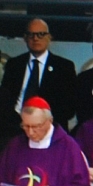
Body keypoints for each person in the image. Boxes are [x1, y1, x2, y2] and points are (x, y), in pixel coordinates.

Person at [0, 18, 76, 150]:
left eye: (40, 34)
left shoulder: (64, 67)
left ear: (49, 37)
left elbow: (68, 109)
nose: (36, 38)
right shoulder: (14, 65)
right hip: (14, 127)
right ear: (25, 38)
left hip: (47, 128)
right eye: (31, 35)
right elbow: (5, 100)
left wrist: (40, 123)